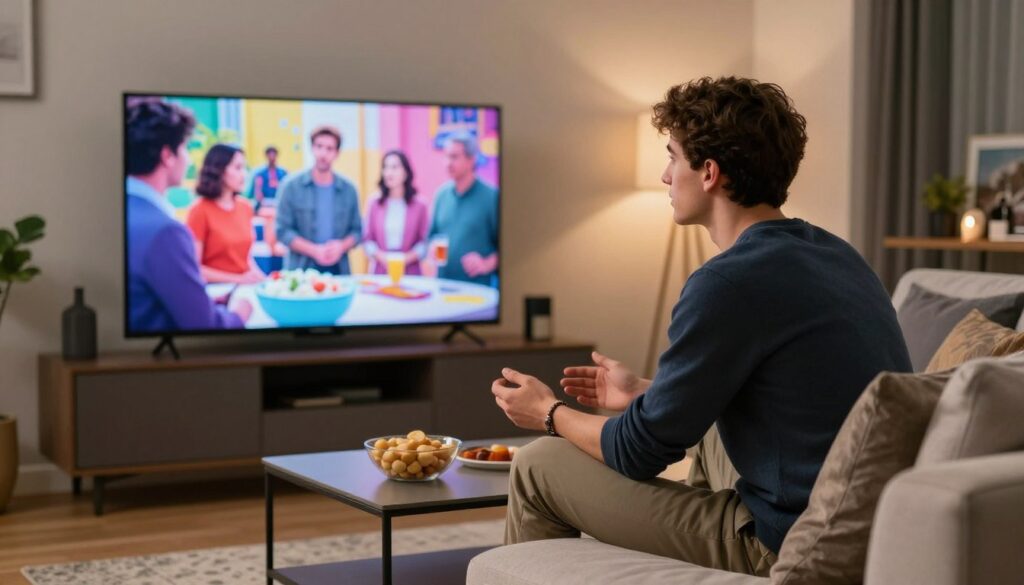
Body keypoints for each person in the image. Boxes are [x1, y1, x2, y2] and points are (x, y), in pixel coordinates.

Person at [490, 77, 912, 577]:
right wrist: (652, 393)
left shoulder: (727, 283)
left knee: (539, 464)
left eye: (673, 156)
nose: (666, 176)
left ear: (709, 172)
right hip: (865, 523)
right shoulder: (836, 254)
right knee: (697, 433)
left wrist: (548, 412)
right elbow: (788, 393)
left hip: (787, 540)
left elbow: (638, 452)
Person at [125, 101, 252, 332]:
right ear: (167, 156)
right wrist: (241, 312)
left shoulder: (128, 211)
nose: (189, 160)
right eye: (185, 149)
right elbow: (207, 326)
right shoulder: (165, 230)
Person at [275, 125, 362, 275]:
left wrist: (341, 246)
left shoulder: (349, 190)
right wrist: (314, 250)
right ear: (312, 148)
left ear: (337, 153)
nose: (323, 153)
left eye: (329, 148)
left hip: (339, 270)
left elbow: (357, 231)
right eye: (319, 146)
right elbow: (282, 231)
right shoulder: (290, 186)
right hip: (300, 271)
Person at [186, 144, 265, 284]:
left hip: (244, 289)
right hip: (215, 293)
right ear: (219, 170)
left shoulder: (245, 207)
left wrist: (263, 279)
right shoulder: (199, 210)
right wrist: (239, 279)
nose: (244, 174)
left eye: (244, 168)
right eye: (238, 167)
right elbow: (193, 267)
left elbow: (243, 258)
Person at [427, 132, 498, 286]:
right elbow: (432, 236)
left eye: (454, 157)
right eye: (445, 156)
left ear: (471, 159)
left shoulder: (492, 197)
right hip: (443, 287)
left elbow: (507, 247)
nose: (447, 163)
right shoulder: (441, 195)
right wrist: (432, 247)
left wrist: (487, 264)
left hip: (478, 292)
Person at [363, 150, 430, 276]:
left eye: (394, 167)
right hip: (381, 270)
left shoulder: (420, 205)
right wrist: (382, 257)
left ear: (405, 172)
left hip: (410, 271)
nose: (389, 172)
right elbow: (367, 240)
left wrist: (405, 259)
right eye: (385, 167)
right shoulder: (374, 203)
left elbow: (425, 242)